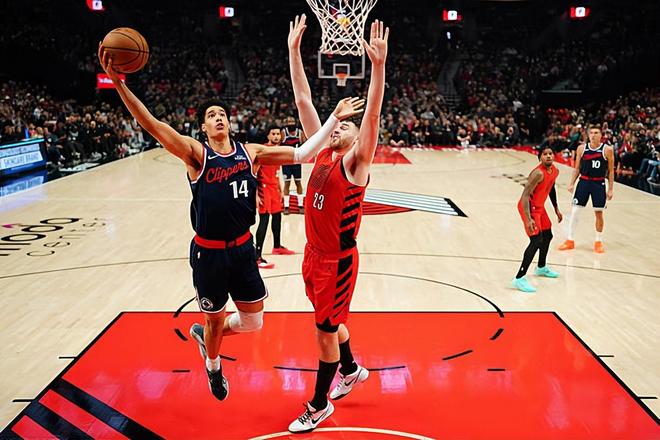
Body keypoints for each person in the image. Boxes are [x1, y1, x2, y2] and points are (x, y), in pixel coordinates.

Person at [98, 43, 364, 401]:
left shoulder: (250, 152)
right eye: (211, 115)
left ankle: (209, 333)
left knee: (254, 322)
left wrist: (333, 118)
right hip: (208, 254)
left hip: (242, 250)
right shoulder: (196, 154)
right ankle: (213, 365)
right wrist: (119, 84)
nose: (218, 117)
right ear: (203, 127)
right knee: (214, 321)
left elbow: (303, 153)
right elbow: (152, 125)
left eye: (222, 112)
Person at [286, 15, 388, 433]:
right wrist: (294, 51)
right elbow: (303, 102)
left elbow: (372, 118)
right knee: (330, 322)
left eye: (346, 125)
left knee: (324, 332)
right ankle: (349, 369)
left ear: (355, 139)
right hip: (313, 256)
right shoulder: (323, 152)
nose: (338, 126)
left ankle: (318, 404)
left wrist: (378, 67)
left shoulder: (355, 163)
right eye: (338, 123)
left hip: (337, 262)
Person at [512, 147, 563, 293]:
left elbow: (551, 188)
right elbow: (525, 195)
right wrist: (528, 219)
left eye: (550, 153)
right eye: (545, 154)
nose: (548, 156)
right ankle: (519, 278)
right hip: (529, 208)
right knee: (536, 240)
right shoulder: (537, 173)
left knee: (548, 235)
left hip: (540, 207)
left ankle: (541, 267)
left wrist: (556, 208)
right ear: (540, 157)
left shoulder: (555, 171)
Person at [558, 124, 614, 253]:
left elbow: (611, 171)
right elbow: (577, 168)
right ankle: (570, 240)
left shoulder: (607, 150)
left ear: (601, 135)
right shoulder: (581, 148)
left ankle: (598, 241)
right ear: (588, 135)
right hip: (583, 182)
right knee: (575, 211)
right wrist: (572, 183)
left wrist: (611, 189)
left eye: (596, 133)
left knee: (598, 213)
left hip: (598, 183)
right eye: (591, 133)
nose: (593, 135)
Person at [255, 125, 295, 270]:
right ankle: (257, 256)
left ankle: (277, 247)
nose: (276, 136)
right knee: (264, 220)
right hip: (264, 189)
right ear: (268, 136)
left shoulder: (278, 151)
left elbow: (277, 173)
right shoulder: (262, 151)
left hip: (274, 189)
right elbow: (253, 174)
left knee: (277, 216)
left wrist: (281, 190)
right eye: (273, 134)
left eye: (278, 134)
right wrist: (255, 195)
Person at [281, 116, 306, 215]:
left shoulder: (300, 133)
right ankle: (286, 207)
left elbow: (305, 144)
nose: (291, 123)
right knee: (287, 183)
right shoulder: (283, 132)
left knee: (298, 182)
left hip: (296, 162)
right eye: (289, 121)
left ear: (295, 122)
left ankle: (300, 205)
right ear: (286, 123)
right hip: (286, 162)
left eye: (292, 121)